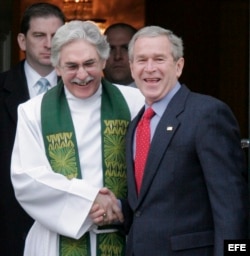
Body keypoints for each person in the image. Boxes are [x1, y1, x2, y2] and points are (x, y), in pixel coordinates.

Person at [11, 20, 144, 256]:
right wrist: (89, 201)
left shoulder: (135, 103)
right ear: (57, 67)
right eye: (71, 66)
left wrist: (119, 207)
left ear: (103, 61)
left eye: (90, 64)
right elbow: (27, 178)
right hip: (55, 241)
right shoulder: (33, 112)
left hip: (124, 235)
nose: (82, 74)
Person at [124, 25, 249, 255]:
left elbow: (233, 206)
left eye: (159, 59)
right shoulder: (136, 124)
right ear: (132, 68)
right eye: (141, 60)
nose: (150, 68)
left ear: (178, 66)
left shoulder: (207, 114)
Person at [0, 3, 65, 255]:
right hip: (8, 222)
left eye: (56, 36)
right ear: (22, 41)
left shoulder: (83, 89)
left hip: (66, 222)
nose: (49, 44)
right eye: (39, 35)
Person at [103, 23, 137, 87]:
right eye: (111, 49)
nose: (117, 56)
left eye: (125, 48)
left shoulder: (156, 95)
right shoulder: (85, 95)